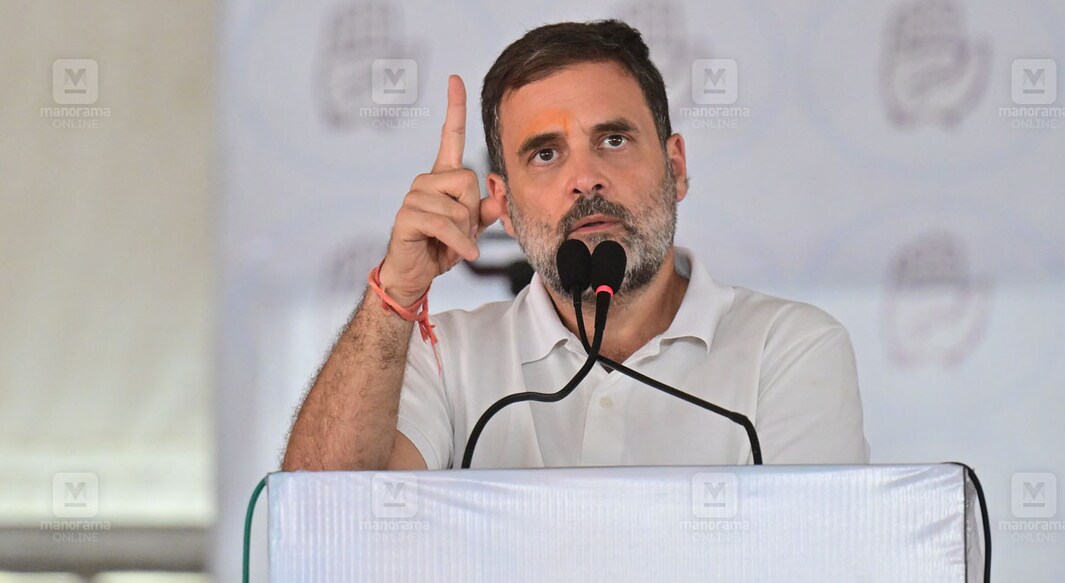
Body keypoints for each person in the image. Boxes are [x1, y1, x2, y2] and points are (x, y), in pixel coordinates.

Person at [282, 20, 869, 471]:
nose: (585, 178)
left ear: (676, 167)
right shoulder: (443, 360)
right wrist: (398, 292)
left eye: (613, 139)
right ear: (503, 205)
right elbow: (326, 520)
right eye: (545, 153)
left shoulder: (790, 349)